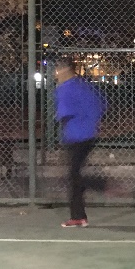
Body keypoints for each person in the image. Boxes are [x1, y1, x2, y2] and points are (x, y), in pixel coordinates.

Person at [54, 58, 107, 228]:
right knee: (74, 175)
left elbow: (64, 115)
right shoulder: (84, 85)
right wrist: (92, 121)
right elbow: (101, 104)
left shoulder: (65, 88)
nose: (56, 73)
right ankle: (79, 215)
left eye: (58, 70)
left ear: (65, 70)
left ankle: (101, 187)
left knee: (73, 177)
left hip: (76, 137)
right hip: (90, 135)